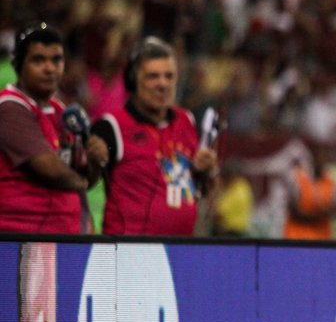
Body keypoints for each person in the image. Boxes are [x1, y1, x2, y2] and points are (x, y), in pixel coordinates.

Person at [90, 36, 217, 235]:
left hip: (181, 251)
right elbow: (85, 183)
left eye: (169, 76)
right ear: (133, 79)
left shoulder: (186, 121)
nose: (162, 84)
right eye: (153, 76)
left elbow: (201, 190)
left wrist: (206, 171)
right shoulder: (110, 127)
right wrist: (91, 162)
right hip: (128, 253)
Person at [0, 23, 105, 233]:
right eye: (39, 60)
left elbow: (81, 174)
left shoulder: (61, 111)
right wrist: (82, 181)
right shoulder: (10, 107)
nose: (49, 68)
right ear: (19, 65)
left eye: (56, 59)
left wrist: (95, 161)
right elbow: (50, 169)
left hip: (62, 239)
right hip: (22, 241)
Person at [283, 143, 336, 240]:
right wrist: (316, 215)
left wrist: (328, 211)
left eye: (325, 157)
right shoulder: (297, 178)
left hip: (322, 240)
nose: (322, 161)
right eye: (319, 157)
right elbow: (291, 208)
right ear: (312, 158)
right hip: (297, 239)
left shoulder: (332, 181)